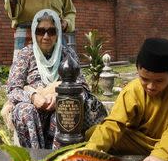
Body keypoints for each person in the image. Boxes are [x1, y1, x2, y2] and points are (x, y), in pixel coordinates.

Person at [6, 9, 106, 149]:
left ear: (58, 32)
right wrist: (33, 96)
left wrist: (61, 96)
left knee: (65, 110)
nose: (46, 36)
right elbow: (12, 89)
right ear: (34, 33)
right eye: (41, 31)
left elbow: (83, 87)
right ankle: (35, 159)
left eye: (51, 31)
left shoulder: (67, 53)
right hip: (34, 105)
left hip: (59, 105)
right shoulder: (26, 54)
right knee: (25, 111)